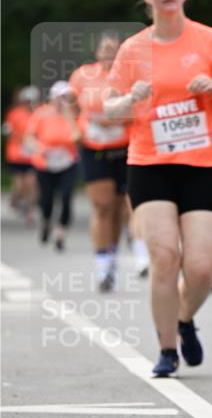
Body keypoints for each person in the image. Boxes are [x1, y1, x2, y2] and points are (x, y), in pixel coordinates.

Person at [104, 0, 212, 377]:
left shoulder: (210, 41)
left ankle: (183, 318)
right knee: (164, 257)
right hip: (151, 164)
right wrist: (128, 102)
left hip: (200, 164)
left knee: (199, 268)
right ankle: (166, 349)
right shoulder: (133, 50)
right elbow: (108, 109)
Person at [69, 31, 129, 291]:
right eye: (105, 50)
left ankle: (112, 254)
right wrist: (73, 126)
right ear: (97, 53)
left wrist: (116, 120)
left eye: (114, 50)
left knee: (119, 208)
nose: (109, 55)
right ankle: (102, 264)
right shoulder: (83, 75)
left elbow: (142, 107)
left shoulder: (129, 76)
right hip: (93, 147)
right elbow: (67, 103)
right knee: (102, 206)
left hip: (124, 147)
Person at [25, 81, 81, 250]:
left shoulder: (74, 115)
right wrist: (40, 148)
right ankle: (47, 221)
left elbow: (78, 138)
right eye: (60, 97)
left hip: (67, 162)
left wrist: (68, 117)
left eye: (66, 98)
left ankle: (61, 232)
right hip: (45, 162)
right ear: (52, 97)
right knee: (47, 198)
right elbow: (29, 137)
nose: (62, 101)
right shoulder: (41, 113)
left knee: (66, 196)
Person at [2, 85, 40, 222]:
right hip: (17, 155)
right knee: (19, 185)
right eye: (28, 100)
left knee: (32, 183)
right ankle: (13, 203)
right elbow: (8, 131)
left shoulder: (39, 113)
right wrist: (21, 140)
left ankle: (31, 210)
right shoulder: (14, 113)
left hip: (33, 155)